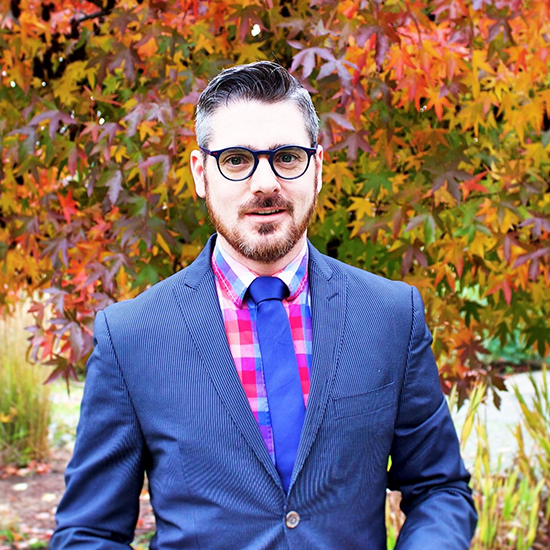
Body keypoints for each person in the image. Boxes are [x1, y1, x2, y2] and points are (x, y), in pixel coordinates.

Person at [51, 61, 477, 550]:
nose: (264, 183)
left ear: (317, 168)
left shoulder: (389, 315)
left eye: (287, 157)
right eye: (236, 159)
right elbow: (89, 532)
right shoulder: (130, 337)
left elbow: (440, 489)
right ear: (200, 173)